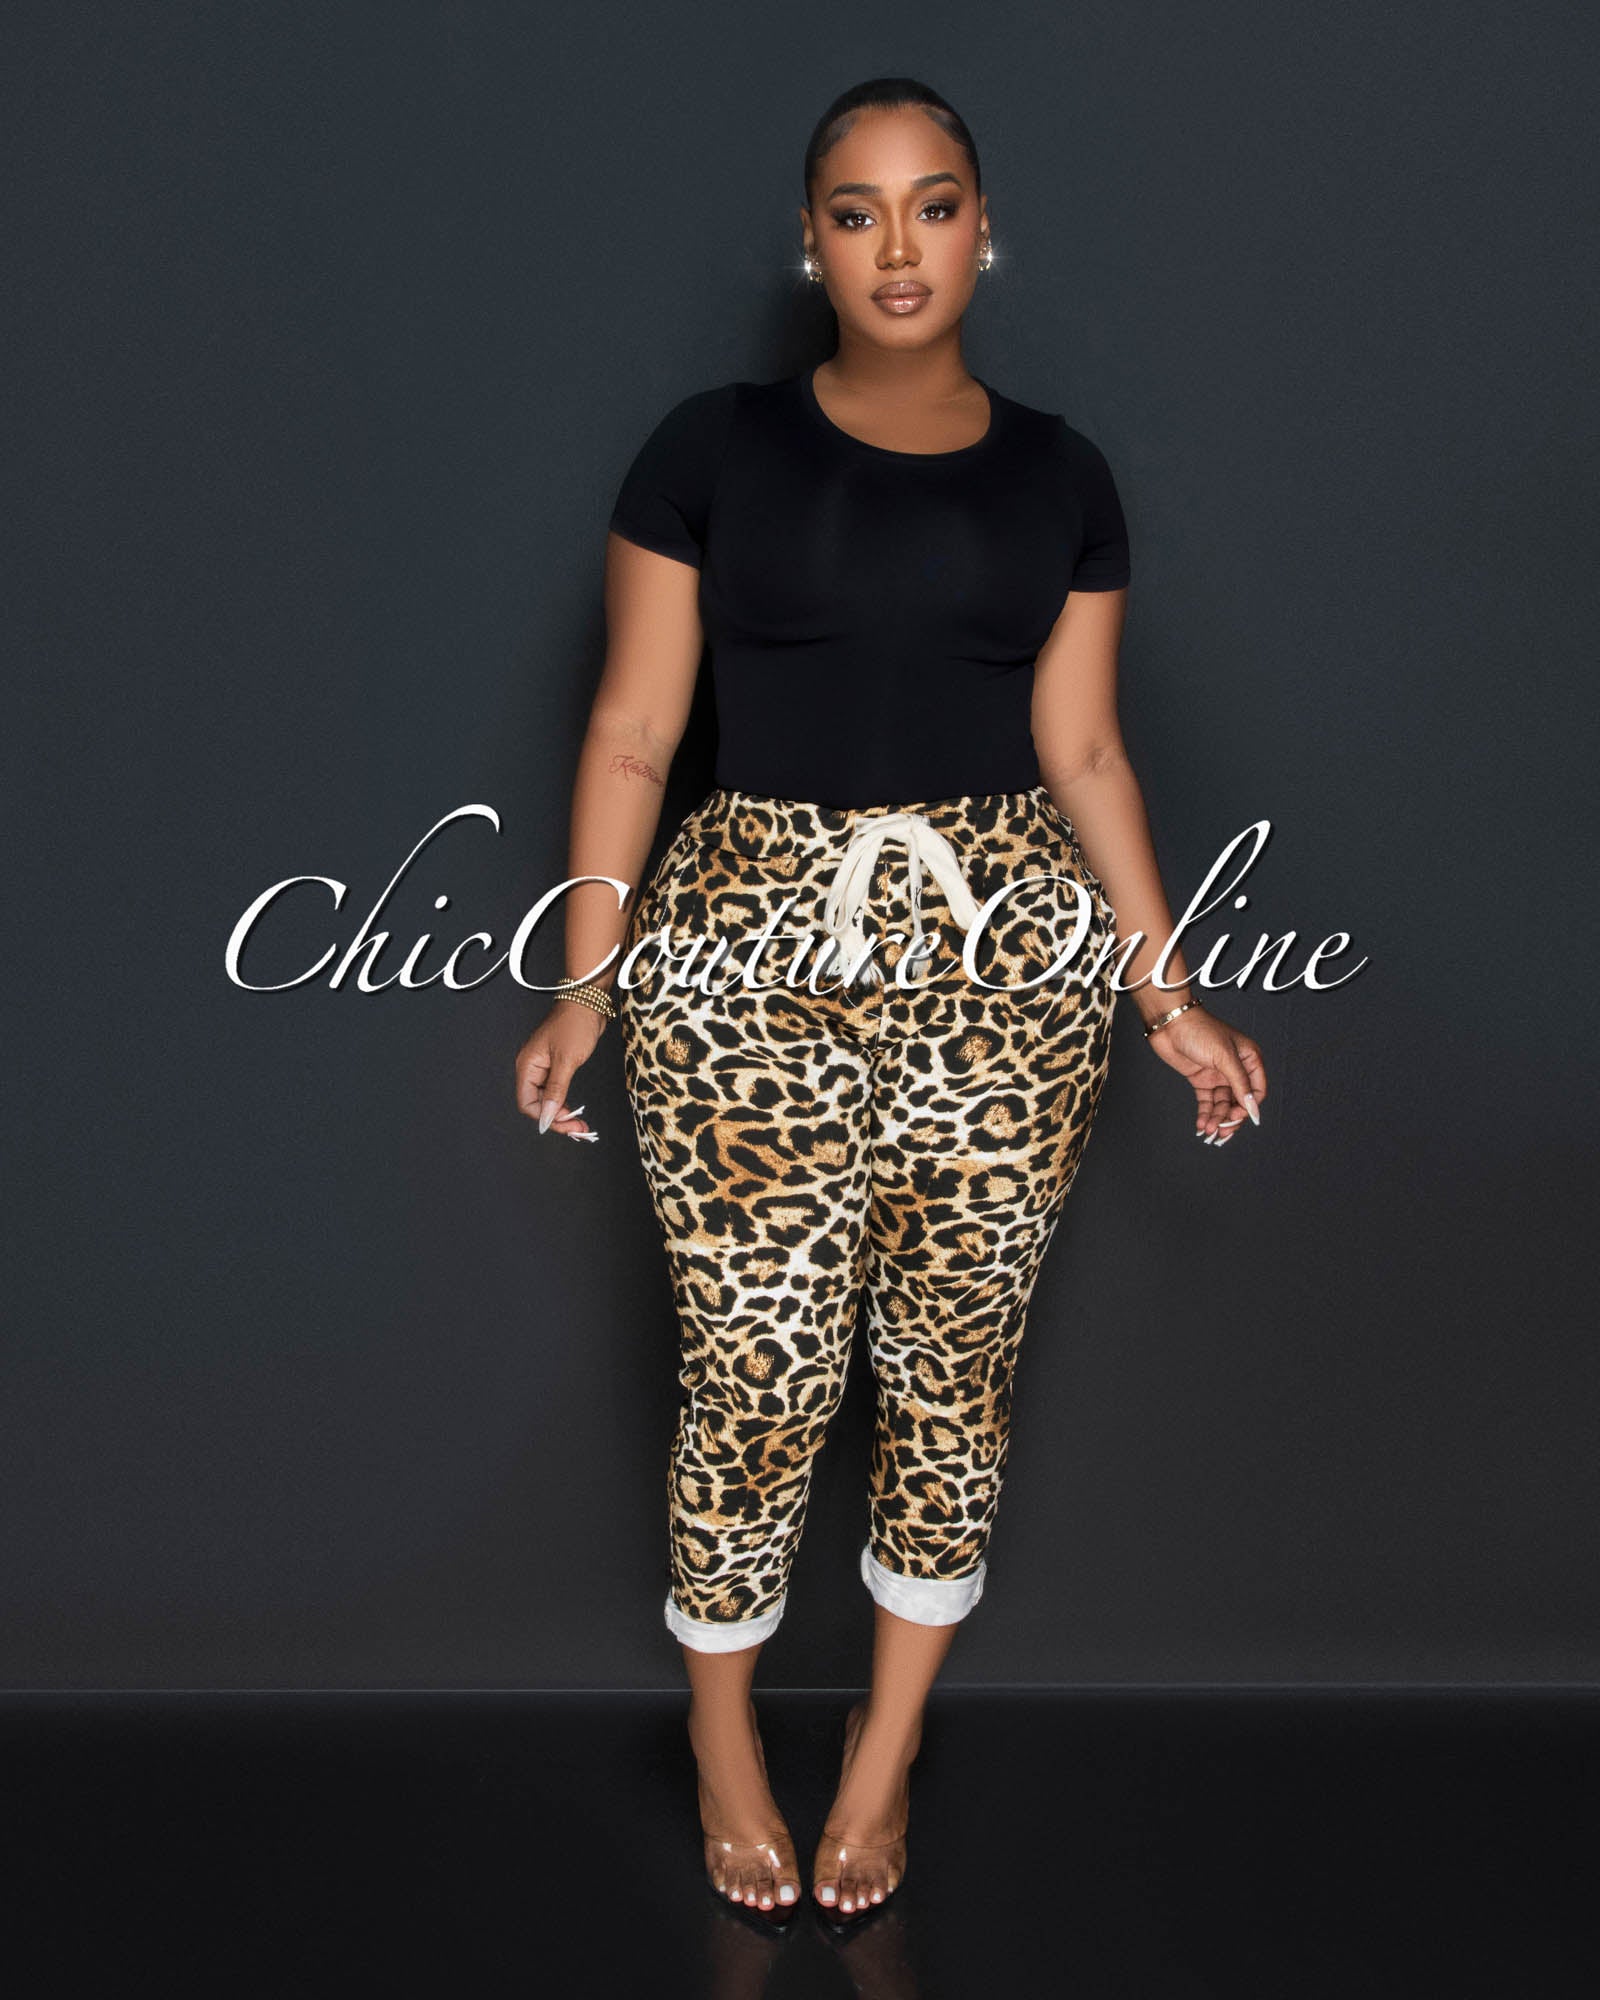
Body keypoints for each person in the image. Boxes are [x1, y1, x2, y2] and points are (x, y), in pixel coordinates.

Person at [515, 76, 1268, 1924]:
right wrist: (584, 982)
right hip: (743, 950)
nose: (899, 245)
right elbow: (634, 729)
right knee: (755, 1369)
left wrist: (1168, 992)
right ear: (812, 244)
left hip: (1007, 962)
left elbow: (1087, 750)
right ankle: (721, 1742)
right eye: (857, 213)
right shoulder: (711, 450)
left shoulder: (1064, 476)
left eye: (934, 205)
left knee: (954, 1373)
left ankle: (880, 1757)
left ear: (985, 230)